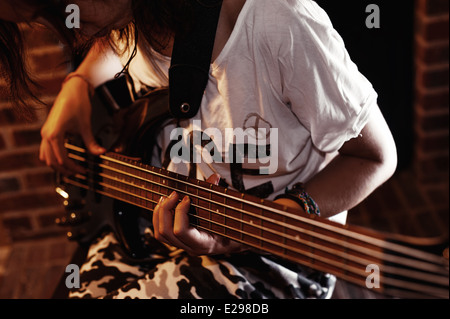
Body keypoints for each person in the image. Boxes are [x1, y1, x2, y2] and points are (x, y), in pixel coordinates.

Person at [0, 0, 397, 299]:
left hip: (284, 254)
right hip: (172, 224)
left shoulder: (279, 21)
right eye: (42, 16)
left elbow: (377, 158)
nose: (65, 25)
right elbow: (113, 43)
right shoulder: (131, 15)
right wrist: (80, 82)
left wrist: (266, 224)